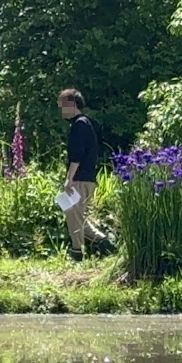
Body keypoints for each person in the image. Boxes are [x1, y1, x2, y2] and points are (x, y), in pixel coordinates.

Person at [58, 89, 112, 260]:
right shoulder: (86, 123)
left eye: (62, 105)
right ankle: (104, 243)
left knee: (73, 214)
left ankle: (77, 253)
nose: (60, 110)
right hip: (85, 178)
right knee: (74, 214)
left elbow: (78, 154)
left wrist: (69, 179)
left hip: (80, 179)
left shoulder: (80, 125)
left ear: (72, 104)